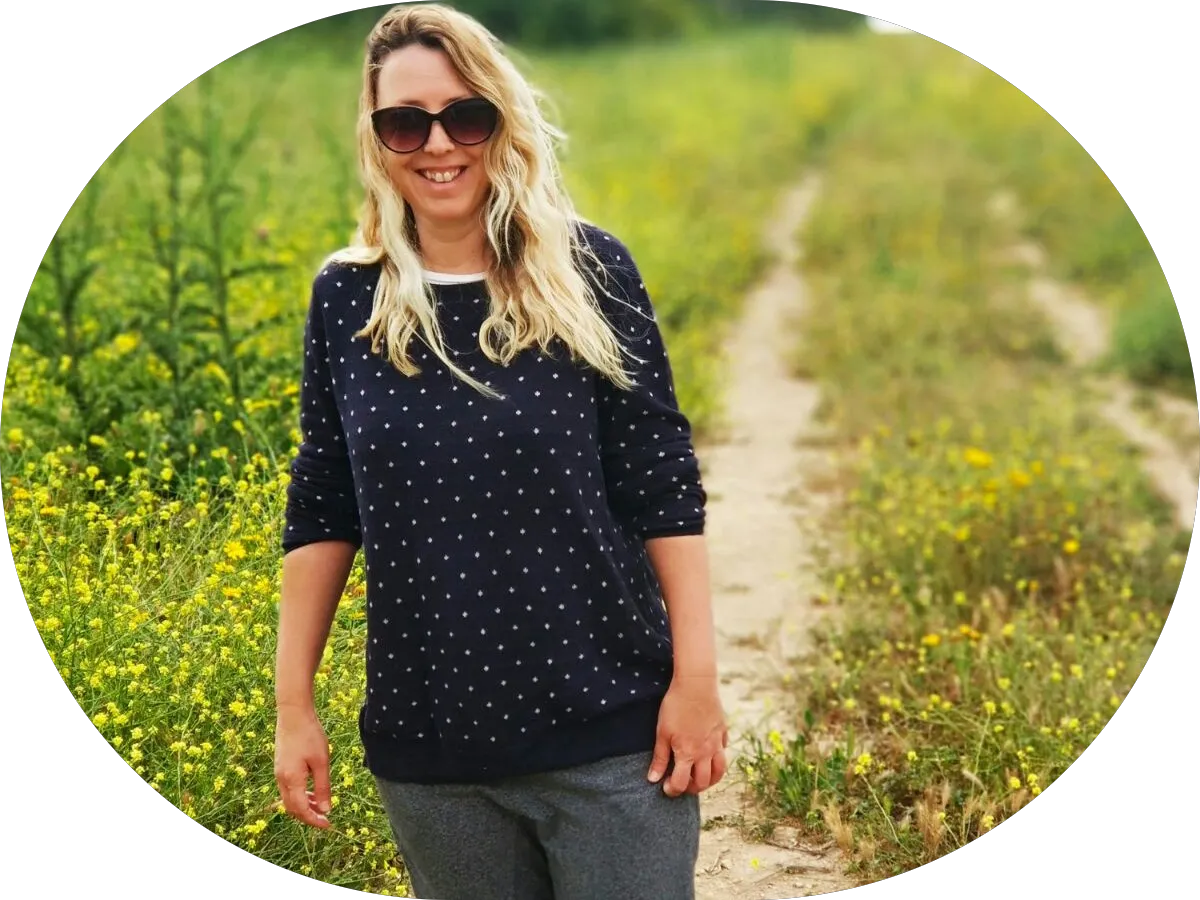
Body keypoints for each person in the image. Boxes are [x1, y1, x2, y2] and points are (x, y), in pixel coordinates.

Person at [274, 5, 727, 899]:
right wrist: (295, 707)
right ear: (376, 138)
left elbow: (663, 486)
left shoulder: (590, 272)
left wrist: (698, 680)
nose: (438, 144)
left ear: (501, 121)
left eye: (465, 116)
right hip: (431, 757)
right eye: (406, 123)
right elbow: (323, 505)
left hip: (611, 740)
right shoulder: (346, 297)